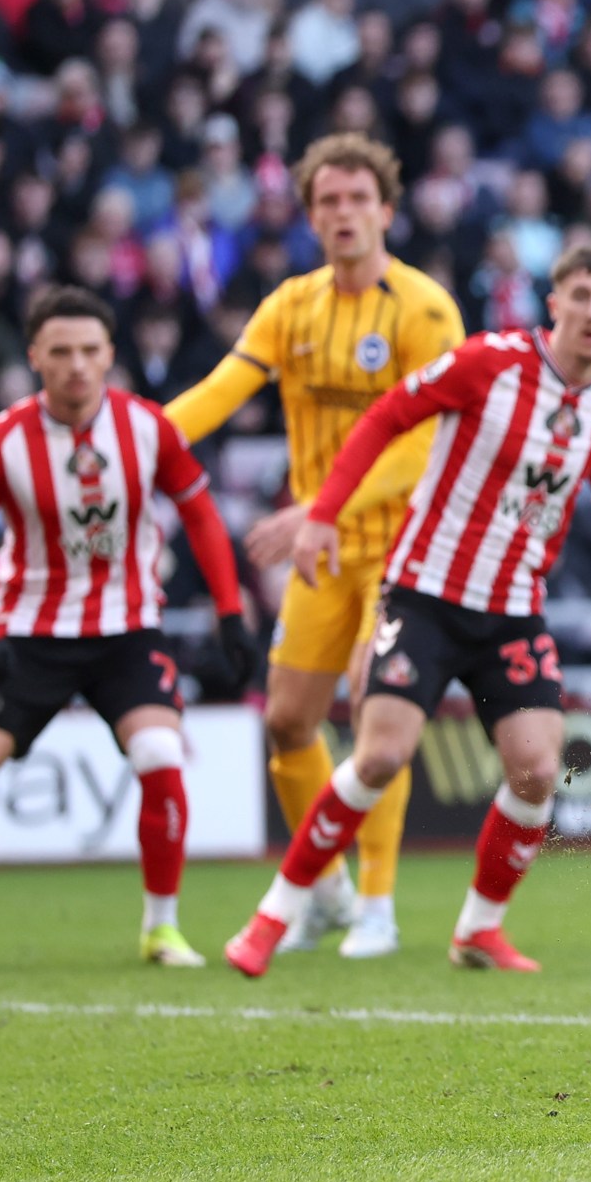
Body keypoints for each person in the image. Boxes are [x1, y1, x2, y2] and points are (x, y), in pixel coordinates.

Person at [222, 246, 591, 978]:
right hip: (426, 593)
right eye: (577, 293)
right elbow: (387, 416)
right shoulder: (488, 361)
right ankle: (275, 913)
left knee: (537, 771)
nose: (590, 308)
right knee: (381, 753)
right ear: (552, 303)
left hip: (512, 611)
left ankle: (478, 930)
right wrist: (323, 514)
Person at [0, 287, 255, 980]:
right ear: (34, 356)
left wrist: (229, 611)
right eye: (60, 351)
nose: (76, 365)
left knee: (159, 752)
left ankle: (162, 927)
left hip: (128, 630)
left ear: (110, 356)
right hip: (29, 635)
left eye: (90, 351)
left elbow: (203, 516)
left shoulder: (150, 427)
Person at [167, 134, 464, 960]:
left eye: (356, 199)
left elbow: (425, 439)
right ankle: (325, 890)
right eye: (326, 201)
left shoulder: (425, 308)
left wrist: (322, 507)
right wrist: (142, 442)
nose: (342, 213)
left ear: (386, 210)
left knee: (378, 708)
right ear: (309, 216)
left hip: (403, 545)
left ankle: (377, 903)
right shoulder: (291, 304)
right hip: (321, 550)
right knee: (290, 722)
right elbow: (223, 389)